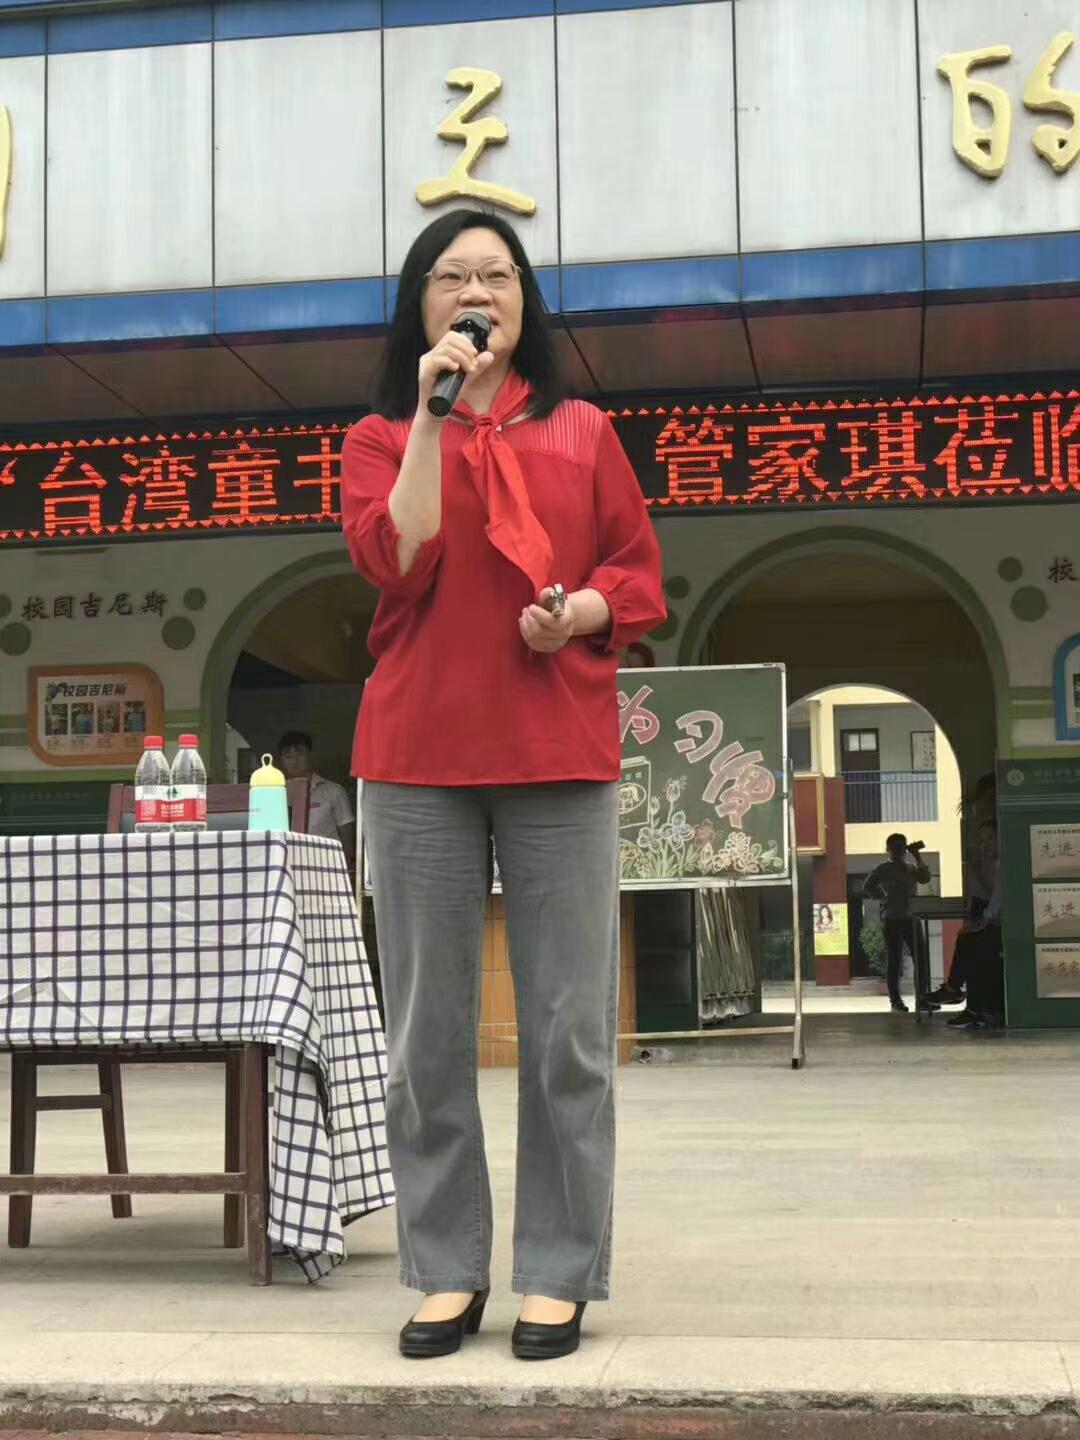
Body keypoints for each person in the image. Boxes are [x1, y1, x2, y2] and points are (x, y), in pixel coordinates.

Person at [340, 209, 665, 1362]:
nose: (477, 291)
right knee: (425, 1035)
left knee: (568, 1031)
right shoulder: (382, 435)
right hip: (416, 759)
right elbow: (399, 556)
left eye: (497, 274)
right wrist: (435, 415)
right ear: (420, 307)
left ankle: (559, 1271)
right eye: (452, 277)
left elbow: (637, 574)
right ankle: (445, 1268)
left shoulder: (583, 431)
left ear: (525, 301)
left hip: (557, 753)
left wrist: (578, 613)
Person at [926, 820, 999, 1010]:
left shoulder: (1005, 863)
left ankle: (961, 996)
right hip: (989, 917)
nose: (985, 845)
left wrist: (986, 920)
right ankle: (961, 997)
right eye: (982, 841)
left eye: (991, 839)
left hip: (1002, 924)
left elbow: (999, 897)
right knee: (967, 939)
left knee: (969, 942)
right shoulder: (990, 864)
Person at [862, 833, 932, 1012]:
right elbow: (868, 885)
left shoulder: (911, 868)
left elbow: (925, 878)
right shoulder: (883, 869)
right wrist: (883, 897)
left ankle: (922, 998)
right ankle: (895, 1000)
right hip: (892, 918)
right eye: (895, 847)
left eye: (901, 847)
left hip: (912, 918)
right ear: (888, 849)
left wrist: (917, 855)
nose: (898, 850)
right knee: (894, 960)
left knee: (920, 959)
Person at [277, 730, 356, 865]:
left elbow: (346, 833)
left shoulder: (334, 791)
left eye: (300, 753)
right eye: (288, 756)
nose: (294, 760)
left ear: (311, 755)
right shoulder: (276, 794)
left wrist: (347, 866)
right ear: (281, 761)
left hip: (327, 865)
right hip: (288, 865)